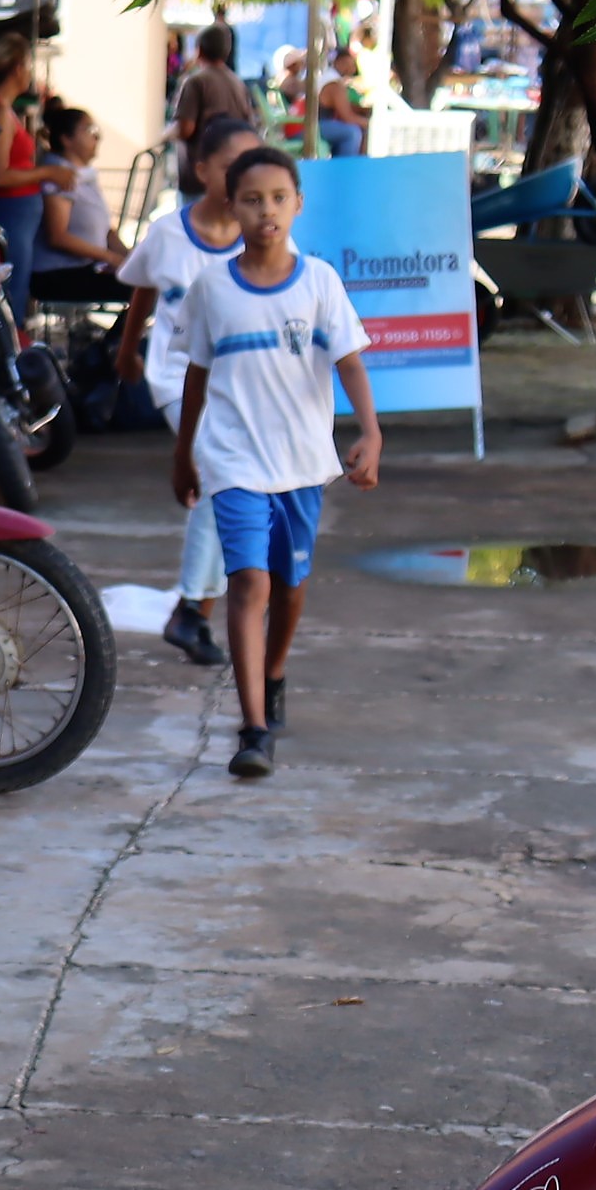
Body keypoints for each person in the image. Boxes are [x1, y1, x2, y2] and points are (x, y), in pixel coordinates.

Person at [170, 148, 383, 778]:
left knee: (290, 589)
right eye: (252, 199)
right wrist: (184, 454)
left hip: (301, 465)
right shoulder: (212, 288)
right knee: (250, 584)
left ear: (298, 203)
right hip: (233, 462)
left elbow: (349, 361)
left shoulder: (319, 282)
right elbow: (196, 378)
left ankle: (277, 670)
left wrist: (371, 432)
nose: (266, 210)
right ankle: (254, 729)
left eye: (278, 198)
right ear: (231, 206)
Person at [117, 115, 267, 665]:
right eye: (232, 167)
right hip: (177, 378)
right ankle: (191, 610)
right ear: (202, 169)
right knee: (216, 470)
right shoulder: (168, 233)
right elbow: (142, 292)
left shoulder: (262, 234)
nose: (243, 181)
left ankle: (196, 612)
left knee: (223, 487)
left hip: (238, 383)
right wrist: (127, 350)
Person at [0, 31, 75, 321]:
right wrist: (47, 172)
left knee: (13, 292)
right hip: (8, 215)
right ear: (18, 68)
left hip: (17, 216)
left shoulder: (3, 110)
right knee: (9, 296)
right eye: (28, 65)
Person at [38, 102, 127, 271]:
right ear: (66, 139)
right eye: (89, 130)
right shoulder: (59, 175)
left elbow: (107, 231)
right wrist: (110, 257)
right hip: (61, 270)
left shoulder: (84, 174)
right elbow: (57, 236)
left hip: (90, 264)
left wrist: (130, 258)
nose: (97, 137)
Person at [171, 23, 259, 191]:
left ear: (199, 50)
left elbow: (185, 129)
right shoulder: (238, 83)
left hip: (198, 178)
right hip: (230, 177)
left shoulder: (195, 82)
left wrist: (166, 133)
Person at [316, 46, 371, 157]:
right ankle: (347, 170)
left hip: (318, 123)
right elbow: (348, 117)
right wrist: (373, 124)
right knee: (352, 133)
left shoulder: (327, 77)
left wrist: (365, 110)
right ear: (341, 61)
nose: (353, 69)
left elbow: (345, 106)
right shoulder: (334, 84)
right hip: (314, 125)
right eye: (351, 64)